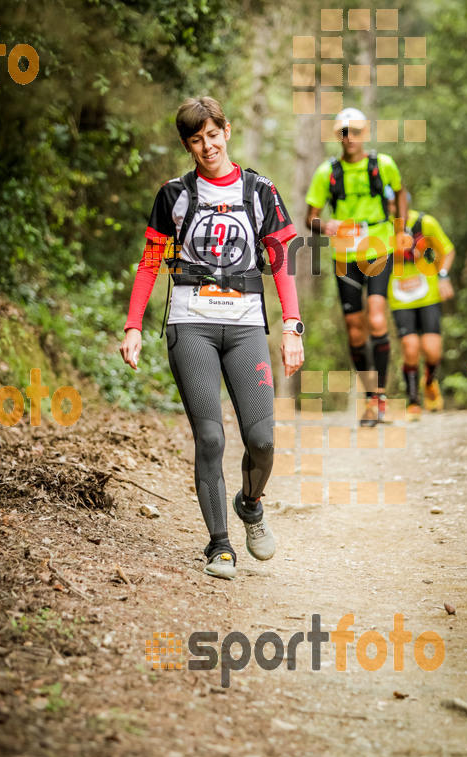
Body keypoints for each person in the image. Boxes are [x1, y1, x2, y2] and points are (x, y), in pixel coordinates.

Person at [120, 96, 304, 580]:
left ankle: (251, 504)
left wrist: (292, 326)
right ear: (187, 144)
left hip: (246, 327)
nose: (207, 146)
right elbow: (149, 262)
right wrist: (133, 325)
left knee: (261, 440)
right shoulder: (173, 194)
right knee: (209, 437)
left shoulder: (260, 190)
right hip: (190, 324)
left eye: (213, 134)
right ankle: (220, 545)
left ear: (227, 130)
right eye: (196, 139)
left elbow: (281, 262)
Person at [305, 107, 408, 426]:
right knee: (354, 330)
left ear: (366, 133)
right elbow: (310, 217)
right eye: (344, 132)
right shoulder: (327, 172)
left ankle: (379, 399)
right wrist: (327, 225)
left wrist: (401, 231)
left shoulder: (383, 165)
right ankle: (370, 397)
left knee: (377, 318)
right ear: (339, 136)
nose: (350, 138)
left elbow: (401, 193)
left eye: (356, 131)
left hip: (379, 247)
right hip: (344, 255)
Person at [386, 189, 455, 420]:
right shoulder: (383, 228)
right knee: (410, 347)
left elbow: (447, 249)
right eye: (389, 204)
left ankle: (429, 382)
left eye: (396, 203)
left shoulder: (425, 222)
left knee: (433, 350)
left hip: (428, 294)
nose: (393, 208)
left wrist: (444, 275)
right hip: (399, 297)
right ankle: (413, 401)